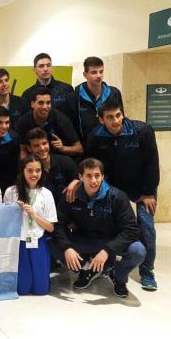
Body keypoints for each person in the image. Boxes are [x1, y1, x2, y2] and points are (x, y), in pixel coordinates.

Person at [86, 100, 160, 291]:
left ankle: (147, 270)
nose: (115, 120)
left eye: (118, 115)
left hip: (142, 185)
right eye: (110, 117)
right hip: (114, 185)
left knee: (146, 226)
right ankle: (109, 262)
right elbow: (94, 166)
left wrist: (148, 192)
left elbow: (152, 163)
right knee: (110, 223)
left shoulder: (143, 131)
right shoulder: (95, 137)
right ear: (101, 119)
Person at [52, 158, 146, 298]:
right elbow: (58, 225)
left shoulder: (117, 196)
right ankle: (88, 269)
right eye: (88, 176)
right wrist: (67, 248)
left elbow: (132, 229)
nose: (93, 180)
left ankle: (118, 276)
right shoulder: (71, 196)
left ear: (103, 176)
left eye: (97, 175)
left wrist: (108, 250)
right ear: (80, 177)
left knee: (138, 251)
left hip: (111, 241)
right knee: (51, 243)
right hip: (86, 240)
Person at [3, 154, 57, 295]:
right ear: (23, 171)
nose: (34, 174)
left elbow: (50, 227)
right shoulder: (11, 192)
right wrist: (14, 210)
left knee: (41, 290)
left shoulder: (46, 194)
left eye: (38, 170)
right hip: (19, 242)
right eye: (30, 170)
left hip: (37, 241)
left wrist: (34, 216)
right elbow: (3, 221)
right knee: (22, 289)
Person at [62, 56, 123, 144]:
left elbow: (122, 119)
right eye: (94, 72)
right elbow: (71, 127)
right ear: (85, 75)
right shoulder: (74, 97)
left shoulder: (114, 93)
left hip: (111, 145)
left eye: (101, 72)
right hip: (86, 149)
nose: (99, 75)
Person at [16, 87, 83, 157]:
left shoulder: (61, 119)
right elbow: (23, 150)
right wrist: (28, 165)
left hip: (58, 161)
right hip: (35, 162)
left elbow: (79, 149)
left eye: (48, 103)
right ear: (32, 104)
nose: (45, 107)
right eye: (41, 103)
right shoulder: (23, 122)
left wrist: (63, 148)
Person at [26, 128, 78, 207]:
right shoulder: (26, 170)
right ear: (29, 149)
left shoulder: (65, 161)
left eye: (44, 143)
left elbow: (82, 178)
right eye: (36, 145)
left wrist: (77, 181)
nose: (42, 148)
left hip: (68, 211)